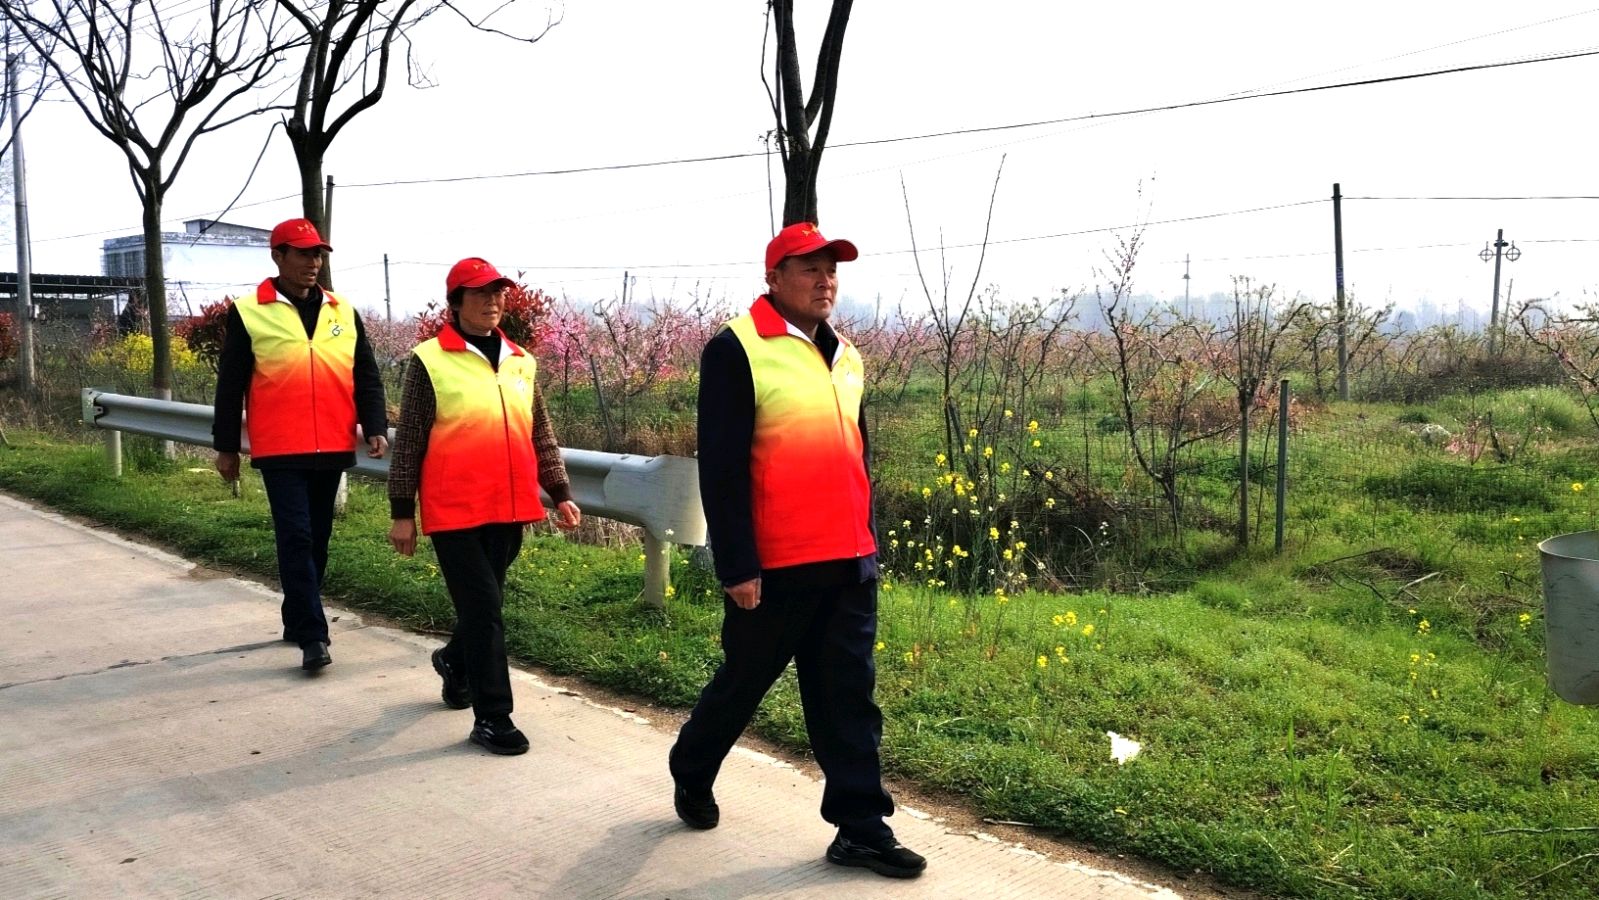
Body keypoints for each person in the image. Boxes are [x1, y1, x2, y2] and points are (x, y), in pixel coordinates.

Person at [669, 222, 926, 878]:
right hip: (777, 564)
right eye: (809, 268)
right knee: (744, 682)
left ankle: (860, 828)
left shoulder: (847, 355)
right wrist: (737, 563)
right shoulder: (737, 348)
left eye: (831, 270)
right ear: (774, 277)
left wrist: (867, 540)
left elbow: (856, 454)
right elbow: (721, 466)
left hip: (848, 560)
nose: (824, 281)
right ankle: (692, 766)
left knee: (848, 697)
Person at [386, 257, 581, 756]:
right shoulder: (430, 360)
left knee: (483, 608)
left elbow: (540, 432)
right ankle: (493, 717)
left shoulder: (521, 360)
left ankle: (455, 661)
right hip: (454, 509)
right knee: (485, 611)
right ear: (455, 303)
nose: (492, 301)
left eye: (498, 292)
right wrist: (402, 512)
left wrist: (560, 492)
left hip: (510, 507)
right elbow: (409, 441)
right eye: (479, 293)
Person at [212, 218, 389, 672]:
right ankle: (313, 635)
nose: (313, 263)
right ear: (278, 256)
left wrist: (375, 425)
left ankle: (296, 617)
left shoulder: (342, 311)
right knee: (296, 535)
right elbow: (230, 385)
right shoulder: (249, 311)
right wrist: (226, 446)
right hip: (280, 447)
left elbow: (365, 374)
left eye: (318, 254)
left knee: (318, 538)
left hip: (332, 441)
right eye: (303, 253)